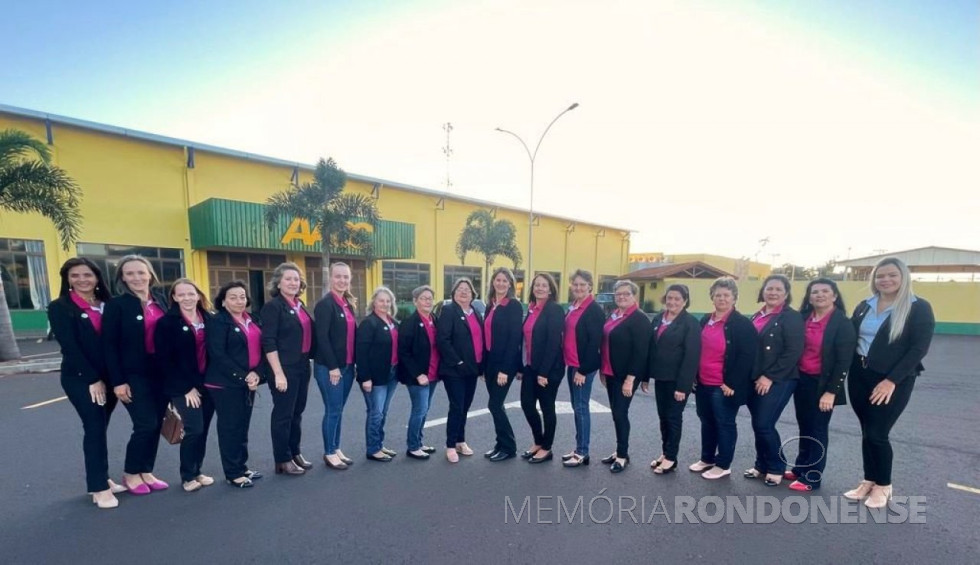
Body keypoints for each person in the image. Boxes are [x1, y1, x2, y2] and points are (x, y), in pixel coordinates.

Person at [844, 257, 934, 508]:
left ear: (903, 277)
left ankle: (884, 485)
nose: (886, 280)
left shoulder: (918, 307)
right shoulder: (865, 305)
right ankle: (869, 479)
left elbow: (918, 349)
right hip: (859, 375)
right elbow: (851, 337)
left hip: (893, 380)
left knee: (877, 433)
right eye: (880, 276)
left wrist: (891, 380)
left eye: (892, 275)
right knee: (866, 431)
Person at [48, 258, 126, 508]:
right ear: (67, 279)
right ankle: (98, 487)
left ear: (97, 277)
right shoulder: (60, 307)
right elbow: (69, 346)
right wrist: (92, 379)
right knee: (93, 427)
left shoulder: (108, 304)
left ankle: (102, 476)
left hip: (110, 377)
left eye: (87, 275)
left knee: (101, 427)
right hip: (81, 378)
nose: (82, 280)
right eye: (75, 276)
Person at [103, 254, 171, 494]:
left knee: (156, 424)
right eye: (130, 273)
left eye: (141, 272)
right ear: (122, 277)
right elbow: (109, 346)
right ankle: (131, 473)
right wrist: (118, 381)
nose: (136, 277)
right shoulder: (116, 305)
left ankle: (146, 471)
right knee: (145, 423)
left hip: (160, 373)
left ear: (150, 275)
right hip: (133, 375)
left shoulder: (161, 300)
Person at [785, 278, 856, 492]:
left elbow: (844, 361)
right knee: (804, 425)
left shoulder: (842, 323)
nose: (819, 295)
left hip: (823, 385)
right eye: (814, 292)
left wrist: (830, 392)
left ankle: (813, 477)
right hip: (803, 380)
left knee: (818, 429)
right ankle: (801, 468)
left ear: (834, 296)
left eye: (825, 291)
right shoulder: (804, 318)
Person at [689, 277, 758, 480]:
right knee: (706, 421)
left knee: (725, 423)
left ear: (734, 298)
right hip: (703, 382)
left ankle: (723, 464)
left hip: (724, 386)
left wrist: (732, 383)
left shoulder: (742, 324)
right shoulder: (705, 320)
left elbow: (748, 357)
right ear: (712, 297)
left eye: (726, 295)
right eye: (718, 295)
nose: (722, 298)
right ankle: (707, 458)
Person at [154, 278, 215, 492]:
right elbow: (164, 360)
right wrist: (186, 388)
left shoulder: (209, 318)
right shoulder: (167, 323)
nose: (187, 298)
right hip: (183, 386)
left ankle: (197, 470)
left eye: (191, 293)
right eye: (182, 294)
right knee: (194, 429)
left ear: (198, 295)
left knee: (204, 430)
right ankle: (187, 475)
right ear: (174, 298)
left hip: (207, 383)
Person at [744, 275, 804, 486]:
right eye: (769, 288)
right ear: (763, 291)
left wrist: (769, 376)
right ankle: (761, 465)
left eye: (779, 289)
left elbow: (793, 352)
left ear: (786, 294)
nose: (773, 292)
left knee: (764, 423)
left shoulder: (791, 317)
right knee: (758, 424)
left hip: (779, 379)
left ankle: (777, 466)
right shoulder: (758, 315)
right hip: (754, 378)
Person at [205, 280, 266, 488]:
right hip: (225, 384)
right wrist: (243, 376)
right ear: (223, 302)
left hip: (248, 382)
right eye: (233, 297)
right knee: (230, 428)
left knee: (242, 426)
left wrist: (257, 373)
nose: (239, 301)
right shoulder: (218, 322)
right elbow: (218, 354)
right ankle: (233, 472)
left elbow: (262, 349)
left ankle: (242, 465)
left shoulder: (253, 319)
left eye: (242, 296)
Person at [261, 262, 315, 476]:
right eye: (288, 279)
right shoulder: (273, 307)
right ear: (278, 282)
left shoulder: (298, 304)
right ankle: (282, 459)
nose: (293, 282)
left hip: (302, 365)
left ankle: (294, 452)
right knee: (283, 414)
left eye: (296, 279)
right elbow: (269, 342)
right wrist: (278, 373)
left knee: (297, 412)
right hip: (284, 367)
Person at [641, 284, 701, 475]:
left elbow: (691, 356)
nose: (672, 302)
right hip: (661, 378)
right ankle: (665, 452)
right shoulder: (659, 318)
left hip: (678, 382)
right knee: (663, 417)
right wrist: (645, 377)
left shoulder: (690, 323)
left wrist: (683, 386)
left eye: (677, 299)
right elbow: (650, 348)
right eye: (669, 298)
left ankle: (671, 458)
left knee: (674, 418)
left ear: (685, 301)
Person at [599, 280, 651, 473]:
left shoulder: (639, 319)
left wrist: (631, 379)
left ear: (634, 296)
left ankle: (622, 455)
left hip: (626, 376)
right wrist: (603, 371)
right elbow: (605, 343)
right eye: (618, 294)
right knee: (616, 413)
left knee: (620, 413)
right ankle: (620, 450)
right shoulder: (614, 315)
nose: (621, 297)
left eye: (626, 294)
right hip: (611, 372)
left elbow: (641, 352)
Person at [313, 262, 358, 470]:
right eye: (338, 276)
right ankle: (329, 452)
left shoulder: (347, 304)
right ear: (330, 278)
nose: (342, 280)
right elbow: (322, 338)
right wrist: (333, 367)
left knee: (338, 410)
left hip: (348, 367)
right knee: (332, 410)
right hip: (331, 368)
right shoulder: (325, 304)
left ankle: (336, 447)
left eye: (346, 277)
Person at [436, 277, 484, 463]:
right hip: (454, 370)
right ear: (454, 293)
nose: (464, 292)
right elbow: (443, 340)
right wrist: (458, 362)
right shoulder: (448, 311)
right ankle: (450, 445)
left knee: (465, 406)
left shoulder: (476, 313)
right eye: (459, 289)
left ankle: (460, 441)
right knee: (456, 406)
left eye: (467, 289)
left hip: (472, 368)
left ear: (473, 294)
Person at [519, 273, 565, 464]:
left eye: (544, 285)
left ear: (550, 289)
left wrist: (544, 373)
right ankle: (538, 441)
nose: (539, 288)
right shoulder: (532, 309)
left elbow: (554, 343)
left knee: (547, 408)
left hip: (549, 369)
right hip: (531, 366)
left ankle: (547, 448)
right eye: (536, 285)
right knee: (527, 404)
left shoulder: (554, 310)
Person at [561, 270, 605, 468]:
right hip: (572, 364)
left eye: (583, 284)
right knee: (577, 407)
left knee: (581, 408)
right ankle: (579, 446)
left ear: (590, 286)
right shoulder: (574, 307)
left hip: (583, 367)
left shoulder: (593, 310)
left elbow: (594, 343)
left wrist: (583, 370)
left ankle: (582, 452)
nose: (578, 288)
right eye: (575, 284)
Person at [482, 268, 523, 462]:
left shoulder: (513, 305)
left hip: (503, 365)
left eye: (504, 281)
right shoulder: (491, 305)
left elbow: (514, 338)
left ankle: (509, 447)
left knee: (495, 404)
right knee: (496, 406)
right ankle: (500, 443)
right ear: (493, 283)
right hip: (490, 363)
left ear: (510, 284)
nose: (500, 283)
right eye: (497, 280)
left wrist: (505, 370)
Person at [356, 287, 401, 462]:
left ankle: (379, 444)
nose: (385, 304)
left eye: (388, 301)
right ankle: (373, 449)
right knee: (376, 412)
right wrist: (365, 377)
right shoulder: (369, 323)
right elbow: (361, 352)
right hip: (375, 377)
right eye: (381, 300)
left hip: (392, 373)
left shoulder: (393, 322)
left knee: (383, 412)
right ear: (374, 302)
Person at [397, 285, 440, 460]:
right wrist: (417, 374)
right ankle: (413, 446)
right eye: (423, 298)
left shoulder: (434, 319)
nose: (427, 301)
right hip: (418, 377)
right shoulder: (410, 323)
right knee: (419, 409)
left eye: (430, 298)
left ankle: (419, 442)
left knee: (425, 409)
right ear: (415, 301)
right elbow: (403, 352)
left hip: (433, 374)